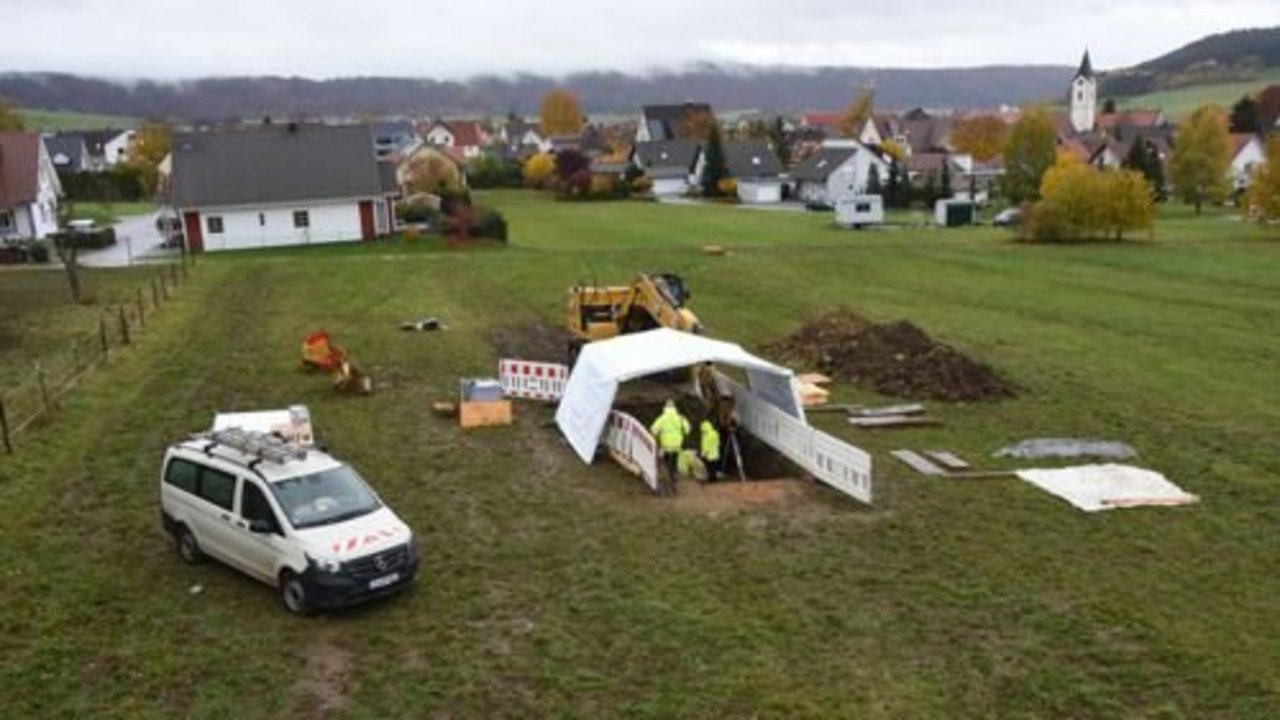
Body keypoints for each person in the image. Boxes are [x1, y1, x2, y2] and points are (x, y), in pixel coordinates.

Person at [649, 399, 690, 496]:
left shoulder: (662, 418)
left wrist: (657, 438)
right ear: (675, 408)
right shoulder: (680, 418)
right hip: (677, 444)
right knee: (675, 461)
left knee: (666, 462)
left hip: (666, 445)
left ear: (665, 408)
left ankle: (669, 479)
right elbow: (687, 429)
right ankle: (674, 477)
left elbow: (653, 429)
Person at [699, 419, 722, 483]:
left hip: (709, 454)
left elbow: (705, 446)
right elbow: (718, 443)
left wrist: (703, 454)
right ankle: (714, 478)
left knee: (710, 468)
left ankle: (711, 479)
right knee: (714, 468)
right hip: (715, 453)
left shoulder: (705, 435)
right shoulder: (715, 433)